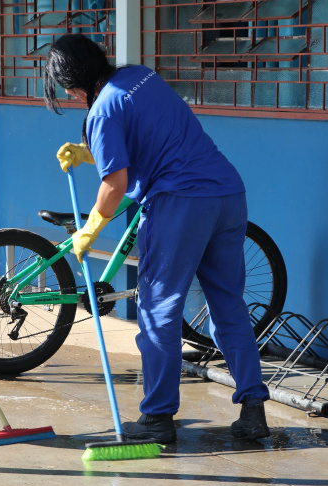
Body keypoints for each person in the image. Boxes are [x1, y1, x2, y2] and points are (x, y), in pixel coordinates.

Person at [43, 34, 271, 443]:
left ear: (73, 84)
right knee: (228, 307)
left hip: (180, 204)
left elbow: (115, 183)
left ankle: (158, 419)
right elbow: (148, 136)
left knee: (157, 312)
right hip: (227, 194)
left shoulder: (101, 110)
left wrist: (90, 230)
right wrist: (88, 152)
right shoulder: (140, 76)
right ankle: (253, 410)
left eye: (67, 91)